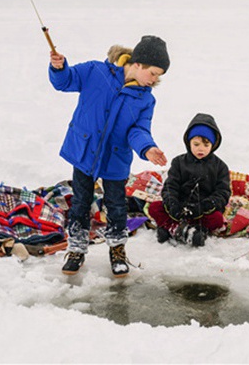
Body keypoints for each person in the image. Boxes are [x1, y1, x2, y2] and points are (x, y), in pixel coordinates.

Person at [49, 35, 170, 277]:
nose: (155, 80)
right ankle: (76, 248)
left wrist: (147, 148)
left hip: (115, 158)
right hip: (85, 151)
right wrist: (58, 68)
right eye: (154, 73)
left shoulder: (145, 99)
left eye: (158, 76)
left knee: (116, 205)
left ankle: (117, 249)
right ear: (139, 64)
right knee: (81, 202)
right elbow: (66, 81)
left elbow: (138, 130)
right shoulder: (96, 71)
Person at [148, 113, 231, 248]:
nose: (200, 149)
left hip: (201, 211)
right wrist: (172, 204)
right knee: (154, 208)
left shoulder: (220, 166)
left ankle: (197, 231)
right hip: (179, 209)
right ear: (189, 143)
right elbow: (170, 186)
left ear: (213, 144)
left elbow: (223, 192)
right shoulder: (179, 162)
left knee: (217, 219)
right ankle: (173, 227)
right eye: (196, 144)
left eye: (206, 144)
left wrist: (205, 206)